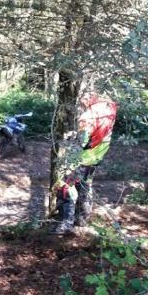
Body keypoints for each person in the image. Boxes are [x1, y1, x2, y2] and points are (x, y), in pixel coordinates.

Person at [52, 91, 118, 235]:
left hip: (82, 159)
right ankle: (82, 219)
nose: (81, 102)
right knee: (85, 187)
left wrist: (68, 164)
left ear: (89, 98)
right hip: (95, 158)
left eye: (83, 98)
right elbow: (95, 137)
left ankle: (65, 223)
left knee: (65, 187)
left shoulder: (89, 116)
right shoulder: (108, 111)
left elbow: (81, 142)